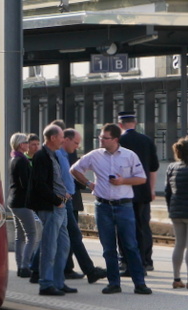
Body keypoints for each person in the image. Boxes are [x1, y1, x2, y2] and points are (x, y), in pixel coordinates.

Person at [70, 123, 151, 294]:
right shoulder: (95, 155)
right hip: (103, 205)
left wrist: (123, 181)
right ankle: (114, 283)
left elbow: (141, 178)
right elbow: (75, 169)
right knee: (108, 247)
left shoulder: (129, 156)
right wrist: (89, 184)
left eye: (104, 138)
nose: (101, 140)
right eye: (100, 137)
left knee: (130, 245)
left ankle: (139, 283)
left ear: (115, 139)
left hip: (124, 205)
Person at [26, 123, 74, 296]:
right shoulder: (41, 156)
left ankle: (58, 282)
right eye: (61, 137)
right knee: (49, 246)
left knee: (63, 246)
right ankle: (46, 284)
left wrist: (65, 195)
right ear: (53, 138)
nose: (63, 140)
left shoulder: (52, 155)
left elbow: (55, 179)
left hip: (60, 205)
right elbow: (40, 184)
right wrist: (57, 201)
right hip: (52, 207)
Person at [60, 128, 106, 282]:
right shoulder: (58, 155)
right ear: (64, 139)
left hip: (66, 200)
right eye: (76, 142)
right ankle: (89, 271)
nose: (77, 146)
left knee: (61, 236)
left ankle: (35, 269)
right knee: (69, 235)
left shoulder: (63, 154)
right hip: (61, 201)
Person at [116, 111, 159, 271]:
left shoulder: (119, 141)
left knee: (123, 227)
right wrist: (152, 189)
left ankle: (125, 260)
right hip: (143, 191)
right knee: (143, 226)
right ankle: (146, 260)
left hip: (123, 190)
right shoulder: (147, 140)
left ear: (120, 125)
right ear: (135, 122)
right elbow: (153, 168)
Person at [8, 132, 41, 279]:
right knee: (31, 234)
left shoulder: (14, 158)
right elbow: (25, 183)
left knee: (19, 235)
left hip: (14, 201)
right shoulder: (22, 161)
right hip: (22, 202)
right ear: (22, 145)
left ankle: (20, 265)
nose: (28, 145)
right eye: (27, 143)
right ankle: (25, 266)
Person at [164, 136, 188, 288]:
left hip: (176, 211)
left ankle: (176, 279)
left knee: (179, 245)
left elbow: (167, 192)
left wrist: (171, 209)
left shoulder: (172, 167)